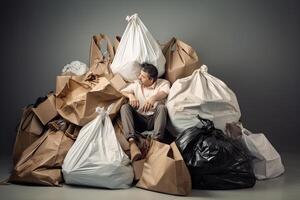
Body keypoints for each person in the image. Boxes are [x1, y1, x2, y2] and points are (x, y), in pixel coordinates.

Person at [120, 62, 170, 161]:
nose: (139, 77)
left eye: (142, 76)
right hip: (139, 119)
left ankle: (155, 143)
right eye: (140, 75)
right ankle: (132, 143)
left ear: (151, 79)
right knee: (125, 107)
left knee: (162, 107)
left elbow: (164, 92)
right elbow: (122, 91)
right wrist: (131, 96)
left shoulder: (163, 83)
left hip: (154, 120)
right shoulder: (137, 84)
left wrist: (153, 98)